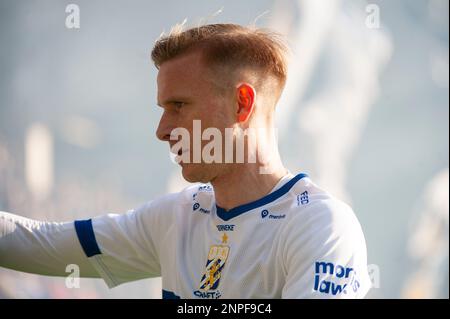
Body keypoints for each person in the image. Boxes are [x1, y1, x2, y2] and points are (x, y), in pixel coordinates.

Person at [0, 23, 371, 299]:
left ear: (242, 103)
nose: (162, 130)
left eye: (178, 106)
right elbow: (36, 245)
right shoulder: (175, 216)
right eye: (164, 109)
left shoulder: (320, 224)